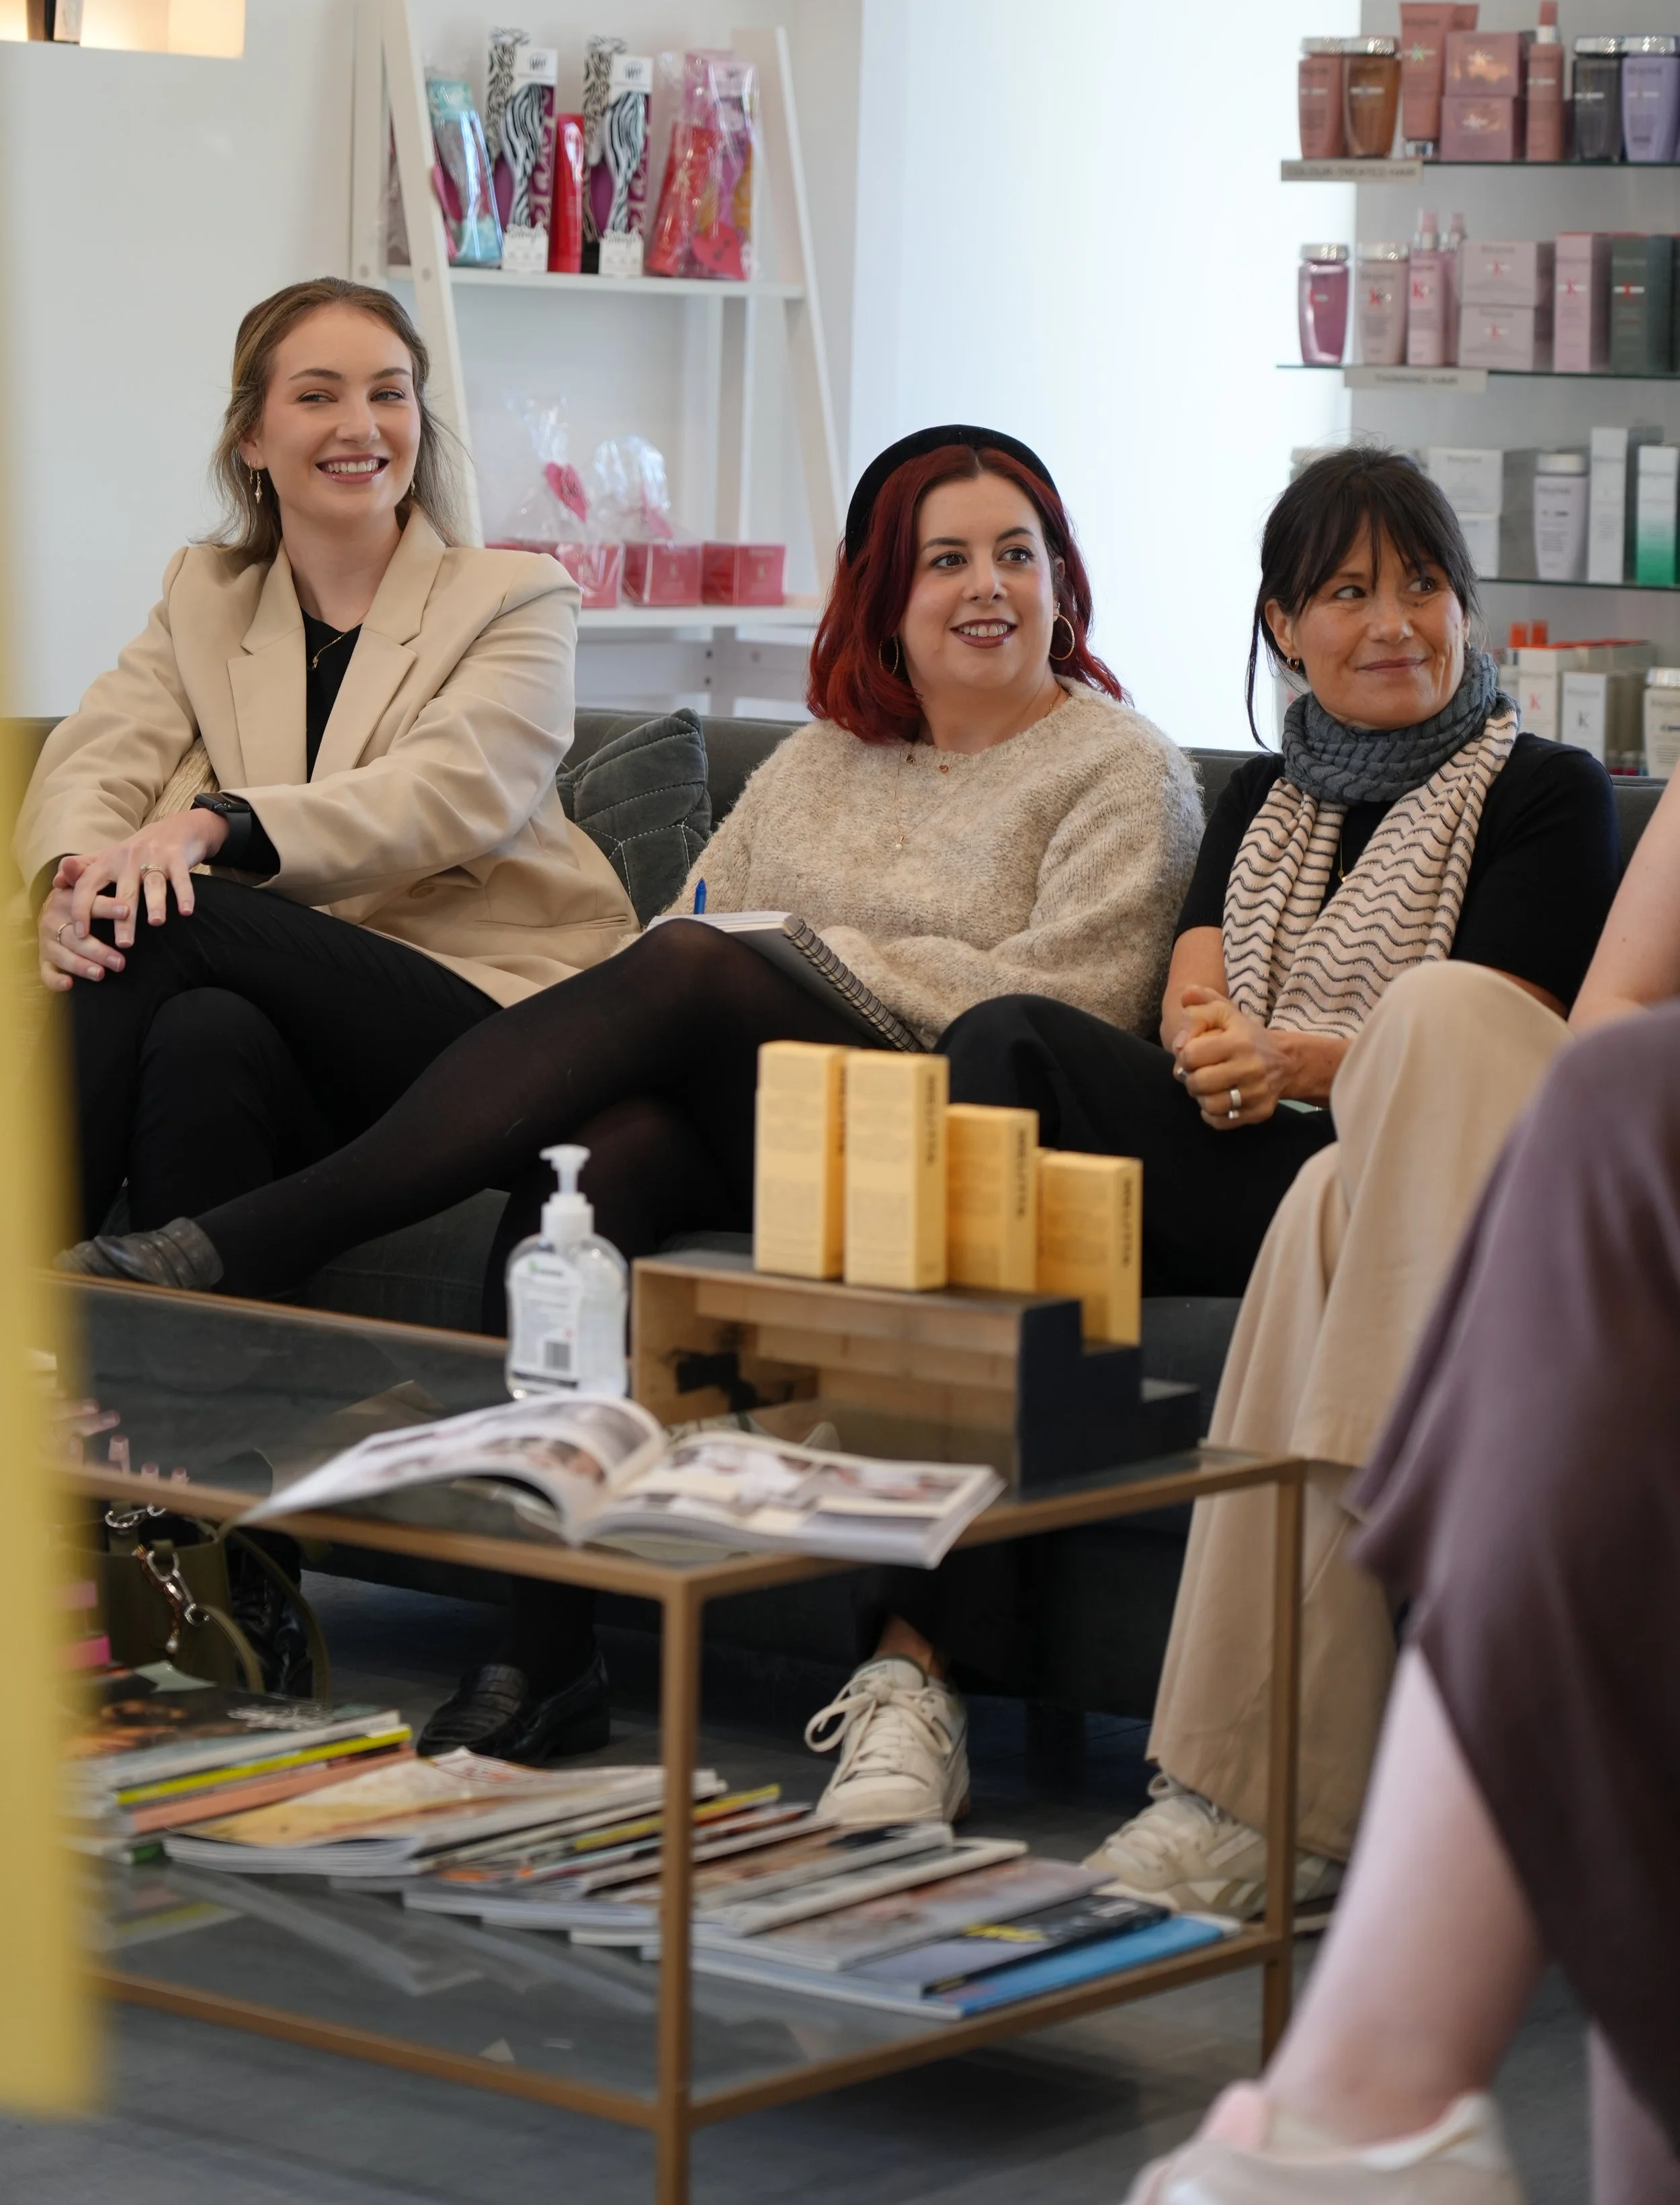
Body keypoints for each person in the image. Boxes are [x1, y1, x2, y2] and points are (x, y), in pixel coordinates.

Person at [71, 422, 1204, 1764]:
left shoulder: (1121, 767)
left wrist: (807, 957)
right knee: (596, 1172)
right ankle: (544, 1659)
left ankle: (247, 1242)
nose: (986, 588)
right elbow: (693, 923)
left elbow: (1066, 1007)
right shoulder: (817, 763)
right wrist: (751, 957)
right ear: (882, 597)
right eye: (944, 559)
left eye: (1016, 555)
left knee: (686, 970)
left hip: (937, 1140)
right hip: (763, 1133)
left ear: (1061, 581)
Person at [864, 446, 1618, 1866]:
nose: (1392, 622)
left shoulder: (1544, 792)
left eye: (1421, 586)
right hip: (1241, 1153)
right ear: (1281, 625)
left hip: (1402, 1172)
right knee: (1002, 1047)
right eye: (1345, 591)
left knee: (1387, 1079)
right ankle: (922, 1658)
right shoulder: (1259, 800)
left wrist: (1295, 1062)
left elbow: (1489, 1037)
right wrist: (1221, 1053)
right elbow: (1190, 994)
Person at [1126, 993, 1680, 2204]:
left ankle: (1361, 2054)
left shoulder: (1529, 793)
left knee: (1447, 1060)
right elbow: (1621, 1002)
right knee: (1342, 1186)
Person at [20, 275, 636, 1255]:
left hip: (489, 1018)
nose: (363, 424)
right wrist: (71, 878)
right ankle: (203, 1391)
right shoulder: (206, 594)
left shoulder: (517, 596)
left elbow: (446, 792)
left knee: (173, 911)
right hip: (293, 1019)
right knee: (200, 1034)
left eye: (389, 393)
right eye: (318, 396)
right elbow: (96, 758)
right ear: (252, 441)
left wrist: (219, 825)